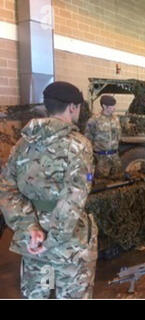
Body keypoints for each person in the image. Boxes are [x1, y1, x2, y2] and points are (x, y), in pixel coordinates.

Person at [0, 81, 98, 299]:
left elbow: (6, 189)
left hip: (32, 241)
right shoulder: (79, 145)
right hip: (68, 245)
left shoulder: (22, 144)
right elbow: (73, 200)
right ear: (72, 107)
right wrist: (51, 241)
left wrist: (29, 227)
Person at [85, 95, 123, 179]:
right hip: (101, 159)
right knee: (102, 184)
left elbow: (118, 136)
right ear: (104, 106)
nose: (114, 108)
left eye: (114, 105)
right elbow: (88, 139)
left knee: (118, 181)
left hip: (115, 158)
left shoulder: (116, 119)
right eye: (111, 106)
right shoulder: (94, 120)